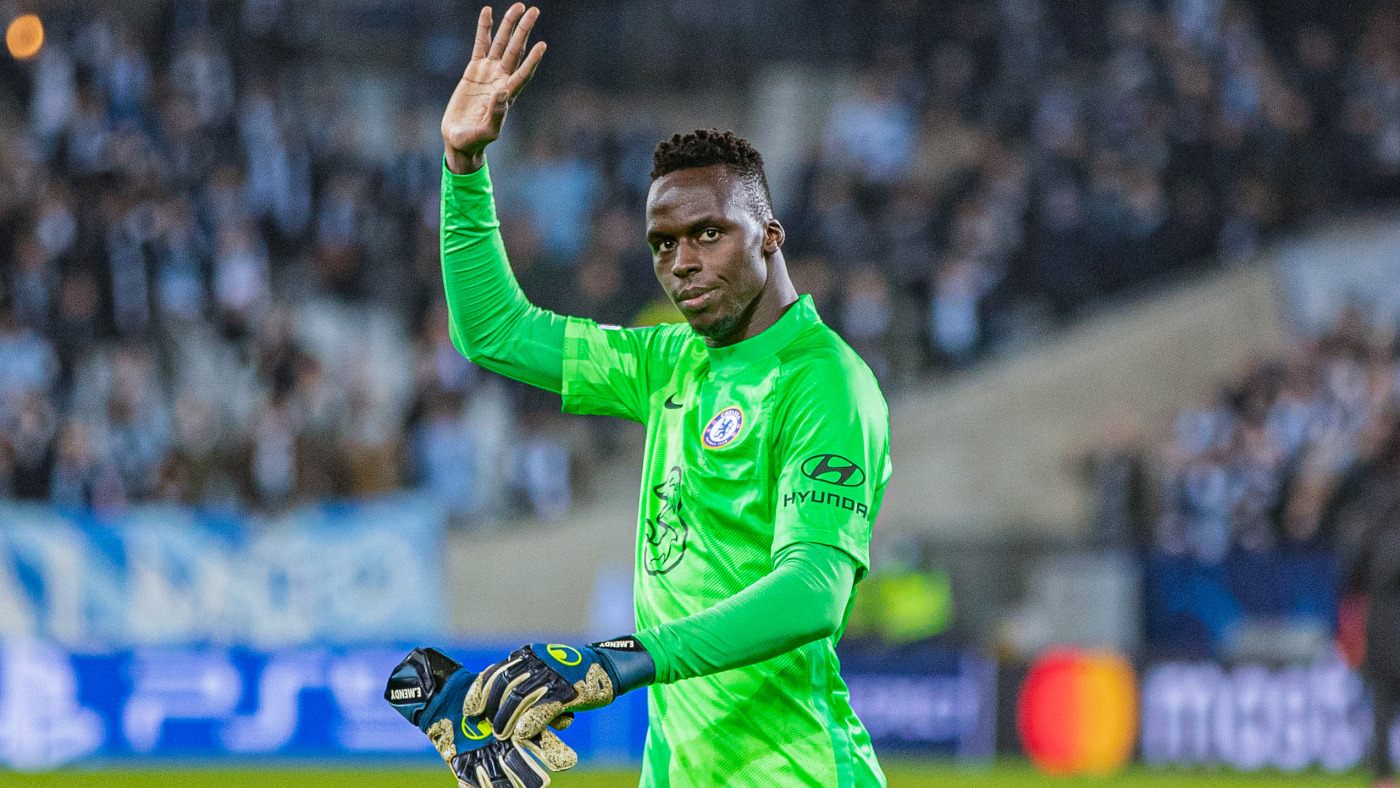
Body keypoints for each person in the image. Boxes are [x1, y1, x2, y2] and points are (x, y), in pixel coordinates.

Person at [383, 5, 891, 788]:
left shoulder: (825, 382)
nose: (682, 262)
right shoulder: (667, 362)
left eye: (708, 233)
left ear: (769, 234)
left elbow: (813, 591)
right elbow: (493, 332)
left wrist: (621, 659)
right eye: (663, 243)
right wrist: (463, 166)